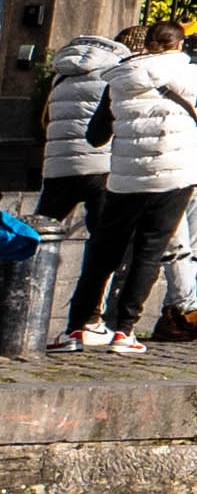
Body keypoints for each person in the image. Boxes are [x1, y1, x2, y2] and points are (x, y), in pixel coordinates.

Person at [76, 29, 197, 351]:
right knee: (148, 254)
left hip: (126, 179)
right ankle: (124, 330)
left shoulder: (118, 78)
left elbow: (96, 136)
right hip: (173, 178)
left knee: (103, 252)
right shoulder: (189, 70)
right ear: (179, 45)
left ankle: (77, 327)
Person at [22, 35, 113, 356]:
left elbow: (45, 121)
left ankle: (15, 309)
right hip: (101, 167)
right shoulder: (115, 72)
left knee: (31, 241)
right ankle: (86, 321)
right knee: (102, 247)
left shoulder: (62, 73)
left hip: (58, 168)